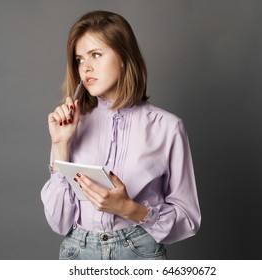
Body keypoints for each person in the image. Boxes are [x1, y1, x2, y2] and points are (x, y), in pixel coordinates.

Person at [41, 10, 201, 260]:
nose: (86, 68)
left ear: (125, 57)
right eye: (79, 59)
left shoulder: (167, 127)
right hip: (77, 254)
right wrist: (60, 144)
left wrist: (130, 209)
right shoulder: (71, 125)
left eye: (96, 55)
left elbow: (188, 218)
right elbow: (59, 223)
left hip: (138, 253)